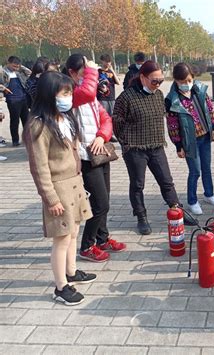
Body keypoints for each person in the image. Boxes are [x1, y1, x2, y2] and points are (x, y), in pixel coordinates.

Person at [23, 71, 96, 305]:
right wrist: (50, 198)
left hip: (74, 182)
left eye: (70, 92)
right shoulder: (38, 125)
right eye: (65, 93)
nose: (69, 97)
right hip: (58, 188)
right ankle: (61, 286)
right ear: (49, 94)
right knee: (62, 237)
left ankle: (72, 271)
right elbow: (39, 167)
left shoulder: (65, 118)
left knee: (73, 232)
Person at [113, 60, 194, 234]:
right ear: (142, 77)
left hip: (156, 146)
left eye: (161, 81)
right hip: (135, 149)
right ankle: (141, 217)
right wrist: (125, 143)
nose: (157, 85)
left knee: (166, 181)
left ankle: (177, 211)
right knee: (137, 184)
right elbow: (116, 122)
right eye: (154, 81)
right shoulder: (126, 97)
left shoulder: (158, 96)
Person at [64, 53, 126, 262]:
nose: (90, 74)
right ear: (72, 72)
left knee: (105, 199)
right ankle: (87, 246)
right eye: (85, 71)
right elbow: (90, 91)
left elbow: (105, 118)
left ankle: (102, 238)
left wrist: (101, 136)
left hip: (99, 152)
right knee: (100, 203)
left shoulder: (88, 97)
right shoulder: (69, 94)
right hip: (85, 157)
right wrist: (92, 69)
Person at [165, 62, 214, 215]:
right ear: (175, 80)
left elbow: (210, 110)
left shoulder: (200, 90)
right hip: (189, 141)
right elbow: (172, 125)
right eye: (182, 82)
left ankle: (209, 194)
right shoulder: (172, 100)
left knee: (206, 167)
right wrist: (178, 146)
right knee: (195, 171)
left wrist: (213, 128)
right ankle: (192, 200)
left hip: (205, 136)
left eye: (189, 80)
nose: (186, 84)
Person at [0, 56, 31, 146]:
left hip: (23, 98)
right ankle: (15, 140)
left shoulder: (18, 73)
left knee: (27, 121)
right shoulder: (2, 72)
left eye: (17, 66)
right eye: (14, 66)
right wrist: (4, 88)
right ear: (8, 63)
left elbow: (29, 73)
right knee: (15, 120)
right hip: (12, 100)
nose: (16, 68)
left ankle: (27, 139)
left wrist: (20, 67)